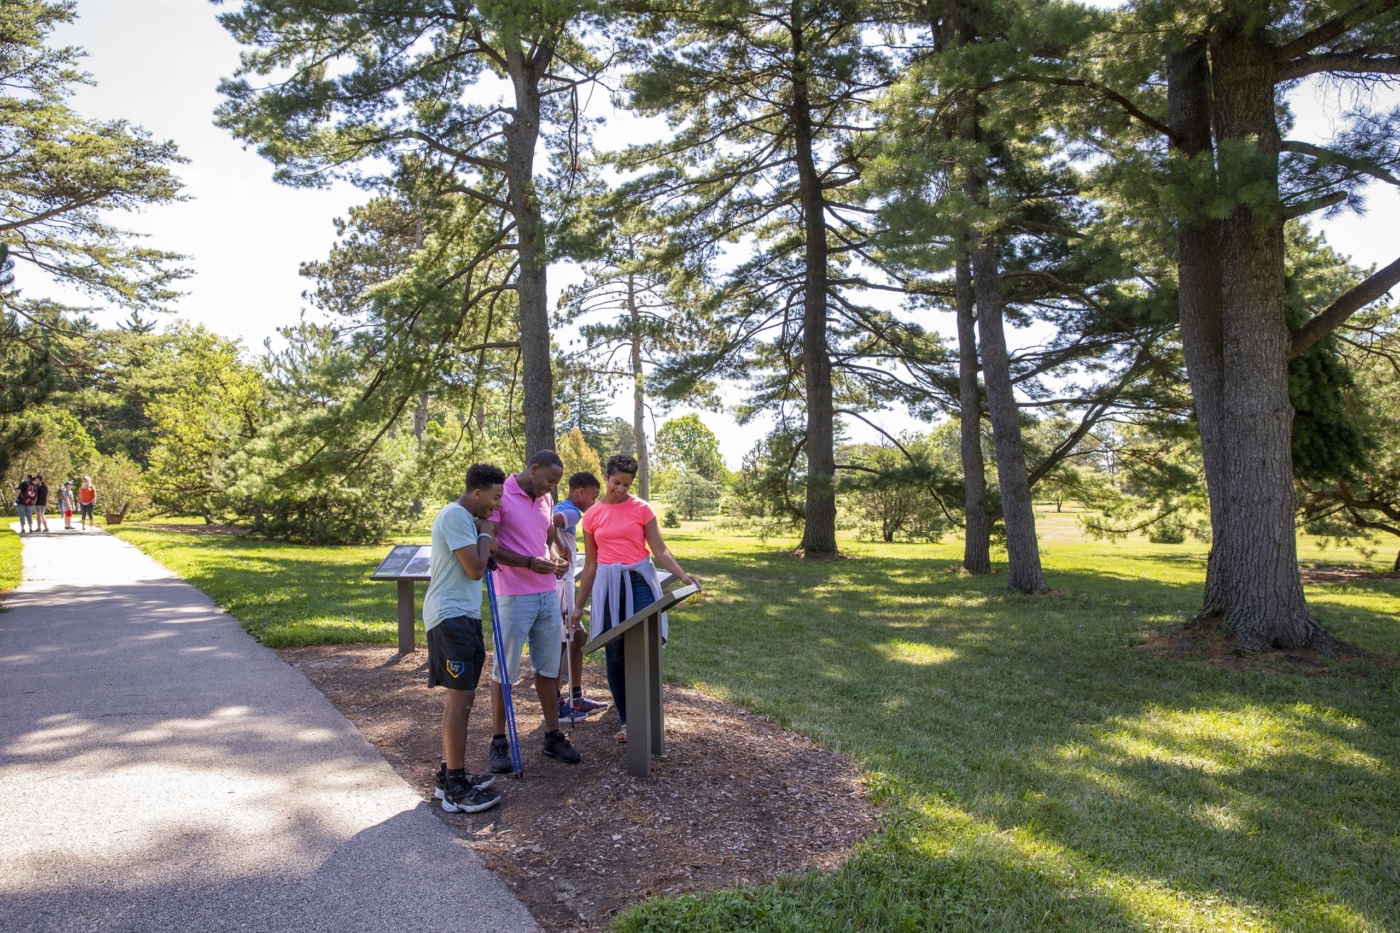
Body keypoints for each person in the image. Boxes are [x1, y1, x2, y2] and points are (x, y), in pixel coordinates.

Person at [570, 454, 701, 743]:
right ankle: (628, 721)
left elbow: (659, 548)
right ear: (606, 476)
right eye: (617, 482)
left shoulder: (641, 508)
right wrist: (579, 606)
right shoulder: (591, 516)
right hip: (607, 583)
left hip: (639, 581)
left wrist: (682, 575)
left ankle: (647, 712)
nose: (621, 489)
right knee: (614, 651)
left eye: (627, 485)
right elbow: (590, 565)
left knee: (642, 645)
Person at [484, 450, 582, 772]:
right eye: (549, 481)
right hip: (512, 595)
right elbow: (492, 546)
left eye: (556, 484)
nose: (551, 488)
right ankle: (499, 741)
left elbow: (548, 540)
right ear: (534, 468)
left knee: (549, 668)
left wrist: (556, 556)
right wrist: (528, 563)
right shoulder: (502, 495)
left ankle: (552, 736)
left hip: (545, 594)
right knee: (505, 671)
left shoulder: (546, 501)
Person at [424, 463, 506, 814]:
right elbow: (475, 569)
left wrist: (485, 533)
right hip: (450, 616)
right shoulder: (456, 516)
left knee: (462, 699)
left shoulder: (463, 519)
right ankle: (455, 787)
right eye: (494, 497)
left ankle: (449, 774)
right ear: (476, 493)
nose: (497, 505)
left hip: (463, 616)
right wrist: (486, 532)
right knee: (461, 701)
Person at [551, 471, 608, 725]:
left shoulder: (567, 508)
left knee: (578, 636)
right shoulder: (572, 511)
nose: (593, 504)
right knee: (561, 641)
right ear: (581, 492)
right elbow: (549, 521)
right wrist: (555, 548)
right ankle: (555, 703)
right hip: (559, 585)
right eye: (593, 497)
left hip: (564, 584)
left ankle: (575, 697)